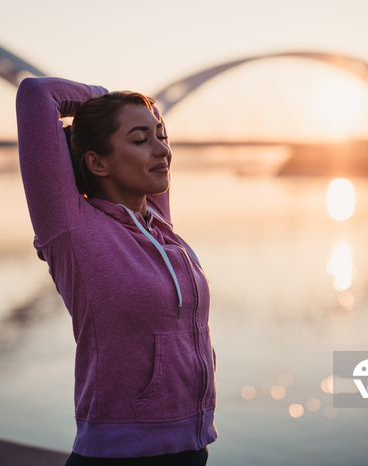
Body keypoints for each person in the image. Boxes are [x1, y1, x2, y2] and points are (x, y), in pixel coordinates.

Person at [15, 76, 217, 465]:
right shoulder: (73, 230)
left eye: (162, 137)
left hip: (192, 446)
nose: (162, 150)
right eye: (140, 140)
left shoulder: (159, 224)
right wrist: (106, 101)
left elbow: (154, 115)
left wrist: (139, 112)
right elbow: (36, 94)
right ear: (96, 162)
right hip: (121, 455)